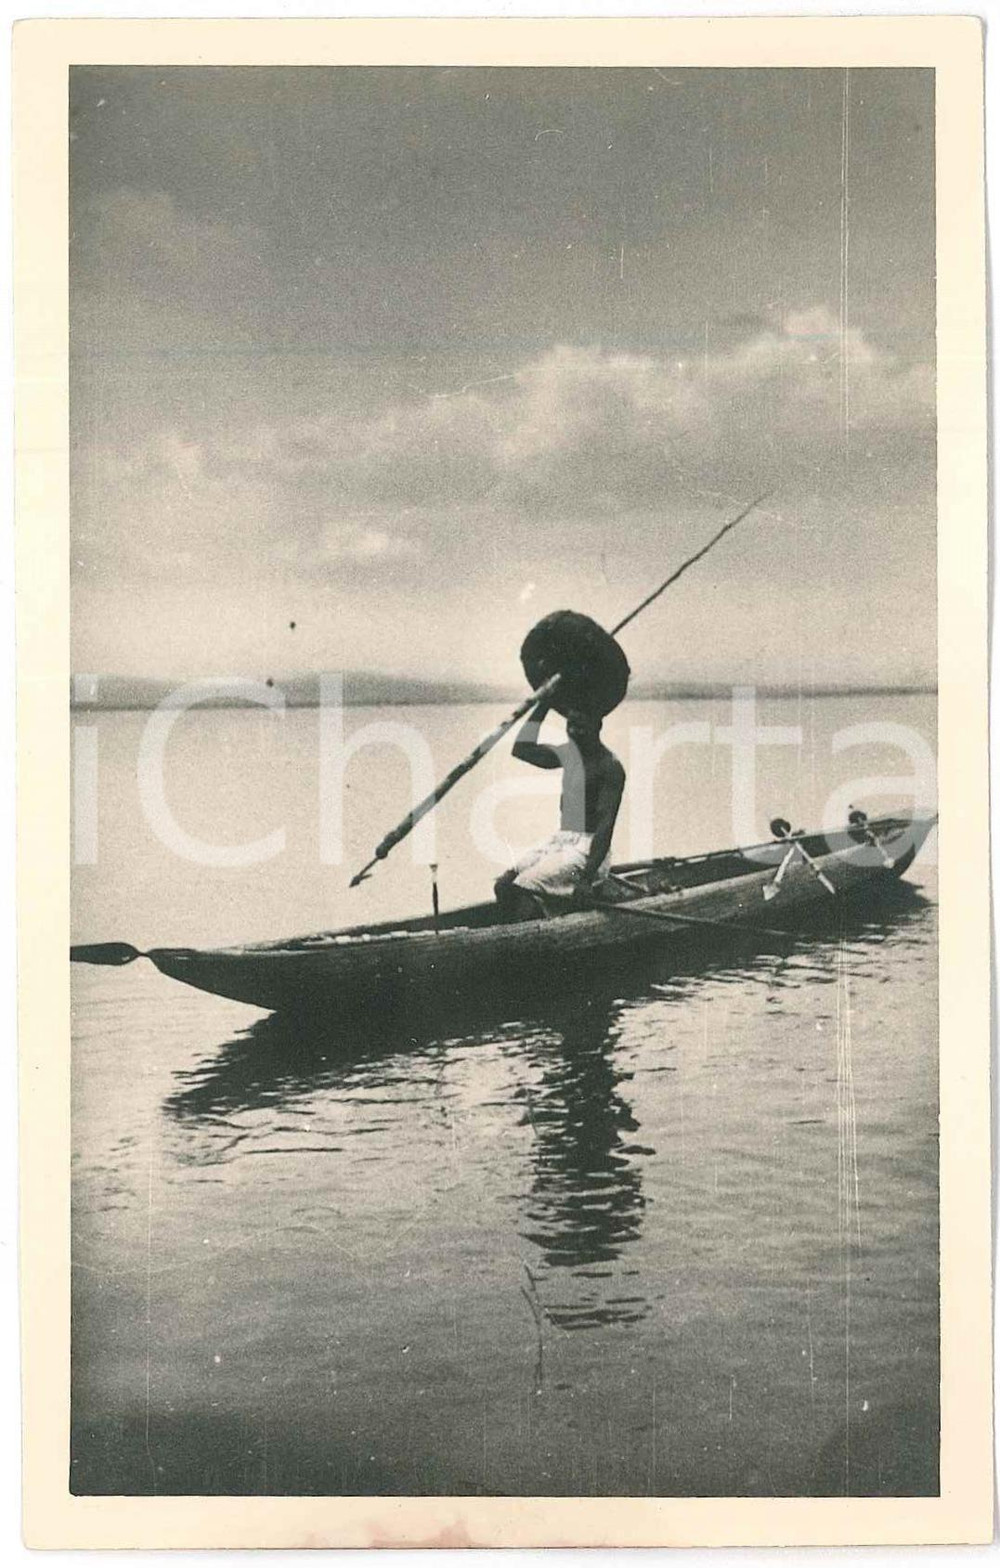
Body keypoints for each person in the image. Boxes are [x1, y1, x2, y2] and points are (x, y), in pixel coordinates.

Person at [494, 701, 626, 919]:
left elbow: (605, 826)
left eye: (581, 727)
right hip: (562, 841)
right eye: (570, 725)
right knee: (504, 885)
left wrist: (586, 878)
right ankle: (531, 925)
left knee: (524, 886)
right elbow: (521, 749)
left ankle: (537, 939)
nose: (574, 732)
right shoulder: (568, 754)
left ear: (597, 726)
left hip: (589, 852)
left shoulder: (609, 767)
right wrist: (543, 705)